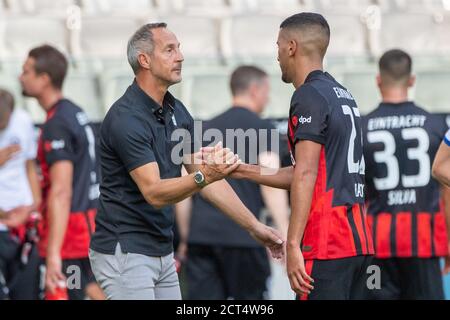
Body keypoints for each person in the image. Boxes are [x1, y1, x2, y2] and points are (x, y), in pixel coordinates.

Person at [88, 23, 284, 300]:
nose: (180, 56)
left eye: (179, 48)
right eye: (169, 49)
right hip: (126, 251)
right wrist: (205, 175)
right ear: (144, 60)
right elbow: (155, 192)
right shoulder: (125, 118)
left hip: (160, 250)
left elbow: (208, 181)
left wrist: (255, 227)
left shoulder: (176, 110)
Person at [230, 12, 374, 300]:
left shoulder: (308, 95)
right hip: (358, 243)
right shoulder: (342, 94)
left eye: (278, 46)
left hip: (326, 242)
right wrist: (239, 169)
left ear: (292, 47)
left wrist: (293, 243)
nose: (278, 55)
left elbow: (306, 174)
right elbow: (305, 172)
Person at [176, 65, 290, 300]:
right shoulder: (263, 129)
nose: (267, 99)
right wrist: (285, 235)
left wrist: (186, 237)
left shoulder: (203, 129)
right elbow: (270, 182)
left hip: (202, 238)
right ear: (255, 90)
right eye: (267, 91)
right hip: (244, 240)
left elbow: (185, 187)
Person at [362, 49, 450, 299]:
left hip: (376, 245)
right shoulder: (435, 125)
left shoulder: (362, 127)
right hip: (424, 240)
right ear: (412, 80)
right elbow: (447, 188)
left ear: (378, 80)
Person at [19, 45, 104, 300]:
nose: (21, 77)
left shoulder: (57, 123)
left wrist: (54, 252)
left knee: (66, 291)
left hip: (70, 234)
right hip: (87, 223)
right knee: (87, 287)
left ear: (44, 79)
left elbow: (61, 190)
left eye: (26, 71)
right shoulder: (74, 112)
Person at [0, 88, 41, 299]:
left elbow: (29, 165)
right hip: (3, 223)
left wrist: (35, 206)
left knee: (26, 292)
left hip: (24, 224)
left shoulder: (22, 120)